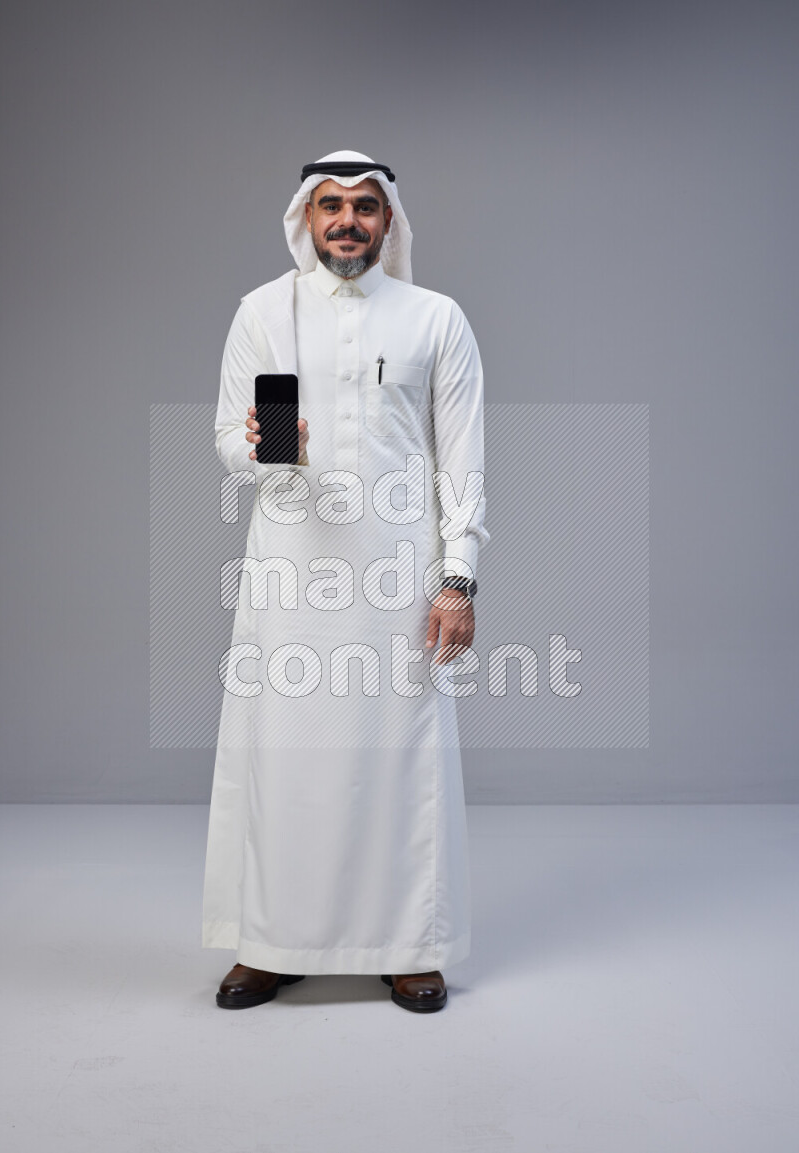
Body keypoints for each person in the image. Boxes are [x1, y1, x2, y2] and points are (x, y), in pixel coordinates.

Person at [202, 150, 489, 1013]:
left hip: (401, 578)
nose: (347, 221)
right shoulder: (266, 312)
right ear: (305, 217)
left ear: (389, 220)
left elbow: (461, 461)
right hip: (291, 574)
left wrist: (458, 581)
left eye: (365, 206)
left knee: (402, 761)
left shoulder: (436, 318)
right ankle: (271, 941)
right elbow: (233, 435)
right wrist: (261, 446)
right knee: (283, 762)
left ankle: (411, 945)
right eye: (330, 205)